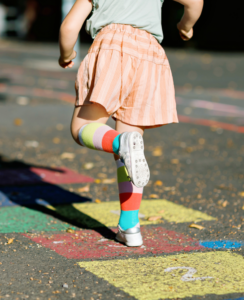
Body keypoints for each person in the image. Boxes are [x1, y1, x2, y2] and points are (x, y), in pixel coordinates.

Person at [58, 0, 203, 247]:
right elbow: (194, 2)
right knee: (129, 150)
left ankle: (119, 142)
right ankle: (130, 226)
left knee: (81, 128)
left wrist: (66, 53)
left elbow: (69, 27)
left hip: (111, 47)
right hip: (150, 55)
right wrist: (185, 25)